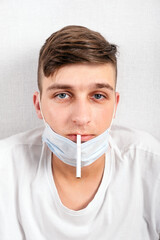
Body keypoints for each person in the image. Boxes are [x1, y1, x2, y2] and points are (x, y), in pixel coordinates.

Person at [0, 25, 160, 240]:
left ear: (115, 105)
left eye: (98, 96)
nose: (81, 118)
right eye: (63, 95)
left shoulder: (149, 163)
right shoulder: (6, 168)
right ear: (39, 106)